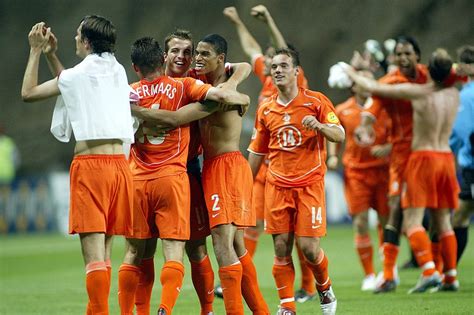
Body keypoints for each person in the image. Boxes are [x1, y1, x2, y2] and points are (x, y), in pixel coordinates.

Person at [132, 34, 270, 315]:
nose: (185, 57)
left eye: (191, 51)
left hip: (201, 167)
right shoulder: (171, 83)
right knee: (223, 244)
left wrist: (233, 88)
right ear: (164, 56)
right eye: (175, 51)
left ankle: (215, 310)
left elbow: (241, 66)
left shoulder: (198, 83)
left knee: (211, 245)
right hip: (188, 170)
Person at [21, 17, 135, 315]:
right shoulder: (118, 70)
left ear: (86, 42)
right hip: (120, 168)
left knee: (93, 257)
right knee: (106, 253)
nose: (74, 38)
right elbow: (74, 85)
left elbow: (29, 92)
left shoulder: (77, 75)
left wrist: (35, 51)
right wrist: (51, 54)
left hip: (92, 167)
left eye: (77, 35)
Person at [345, 48, 460, 292]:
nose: (402, 58)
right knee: (441, 219)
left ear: (423, 63)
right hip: (446, 157)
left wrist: (351, 72)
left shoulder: (418, 91)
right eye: (399, 53)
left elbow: (376, 89)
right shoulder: (454, 93)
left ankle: (429, 270)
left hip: (421, 157)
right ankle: (449, 276)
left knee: (411, 220)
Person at [223, 5, 315, 302]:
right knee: (249, 221)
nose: (272, 66)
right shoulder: (267, 83)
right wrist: (238, 22)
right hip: (264, 168)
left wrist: (269, 21)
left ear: (292, 68)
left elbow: (285, 49)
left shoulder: (297, 85)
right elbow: (252, 48)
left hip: (293, 170)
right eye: (270, 63)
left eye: (279, 63)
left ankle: (309, 287)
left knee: (300, 236)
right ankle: (236, 280)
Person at [248, 48, 344, 315]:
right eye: (274, 67)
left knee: (310, 250)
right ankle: (287, 305)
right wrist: (244, 186)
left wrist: (321, 127)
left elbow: (339, 134)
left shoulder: (316, 102)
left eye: (283, 66)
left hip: (309, 185)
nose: (277, 70)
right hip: (277, 186)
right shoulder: (266, 110)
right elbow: (257, 151)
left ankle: (324, 287)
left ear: (296, 72)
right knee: (280, 247)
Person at [353, 36, 429, 293]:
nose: (403, 58)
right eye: (399, 54)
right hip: (402, 157)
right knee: (398, 210)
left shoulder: (431, 79)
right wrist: (365, 128)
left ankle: (439, 271)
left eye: (408, 53)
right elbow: (371, 108)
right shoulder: (389, 84)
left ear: (418, 55)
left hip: (430, 154)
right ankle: (395, 273)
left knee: (435, 215)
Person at [327, 70, 391, 291]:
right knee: (361, 222)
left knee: (386, 221)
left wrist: (389, 148)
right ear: (354, 86)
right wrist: (333, 155)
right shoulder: (343, 109)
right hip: (356, 173)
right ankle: (369, 274)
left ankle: (388, 270)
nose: (368, 82)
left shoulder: (383, 107)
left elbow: (399, 133)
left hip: (383, 172)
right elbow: (334, 134)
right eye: (362, 79)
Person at [450, 45, 474, 265]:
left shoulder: (466, 96)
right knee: (461, 215)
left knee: (459, 217)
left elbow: (461, 132)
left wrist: (447, 150)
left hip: (472, 167)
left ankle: (448, 273)